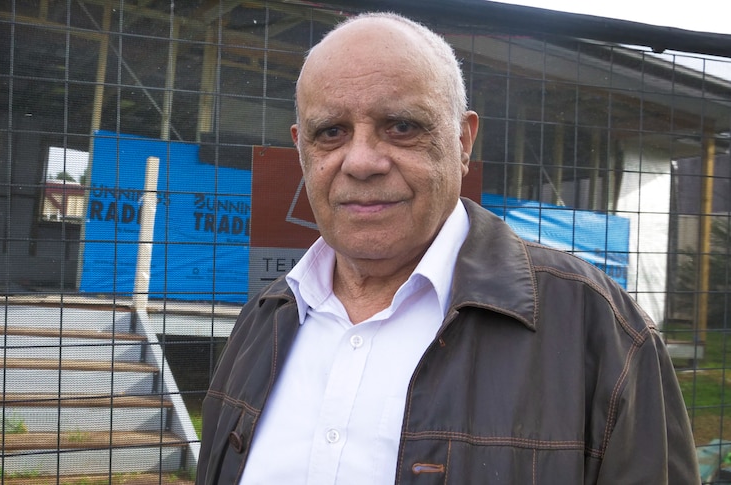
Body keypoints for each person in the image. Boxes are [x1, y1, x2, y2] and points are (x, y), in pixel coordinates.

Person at [196, 12, 700, 485]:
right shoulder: (263, 320)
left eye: (402, 126)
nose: (362, 161)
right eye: (331, 132)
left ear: (463, 141)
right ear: (302, 150)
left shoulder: (600, 328)